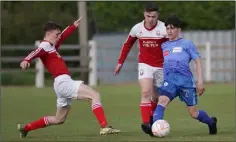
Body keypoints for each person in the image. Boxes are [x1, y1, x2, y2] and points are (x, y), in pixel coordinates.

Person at [18, 17, 121, 138]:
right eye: (56, 34)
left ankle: (26, 128)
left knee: (59, 119)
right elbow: (36, 51)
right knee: (94, 95)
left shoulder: (51, 46)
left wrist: (73, 26)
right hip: (63, 82)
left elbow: (62, 37)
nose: (58, 36)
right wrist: (26, 60)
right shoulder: (45, 45)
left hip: (61, 84)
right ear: (48, 34)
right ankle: (104, 127)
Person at [151, 15, 217, 136]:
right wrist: (156, 85)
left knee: (193, 113)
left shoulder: (187, 44)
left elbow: (197, 61)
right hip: (169, 81)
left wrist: (200, 81)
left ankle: (211, 122)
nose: (169, 31)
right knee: (162, 101)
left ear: (179, 30)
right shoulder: (164, 46)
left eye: (172, 28)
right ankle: (155, 128)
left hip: (185, 82)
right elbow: (159, 66)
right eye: (167, 28)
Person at [114, 3, 167, 135]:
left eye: (153, 16)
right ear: (144, 14)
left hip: (161, 66)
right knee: (145, 92)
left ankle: (152, 118)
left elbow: (170, 47)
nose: (150, 19)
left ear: (157, 16)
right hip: (145, 64)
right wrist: (120, 62)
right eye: (148, 16)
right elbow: (127, 45)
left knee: (156, 97)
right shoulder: (137, 28)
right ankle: (146, 123)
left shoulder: (164, 28)